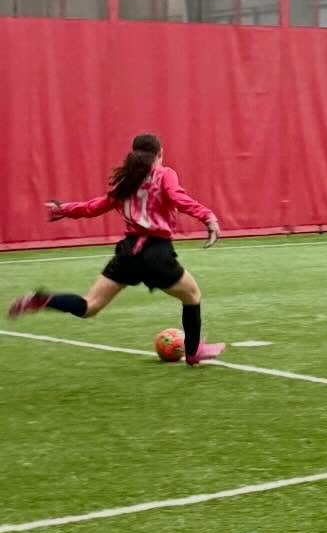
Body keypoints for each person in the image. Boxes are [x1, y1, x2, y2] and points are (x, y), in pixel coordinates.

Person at [6, 132, 224, 365]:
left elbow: (95, 206)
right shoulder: (165, 174)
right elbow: (177, 197)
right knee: (192, 295)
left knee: (90, 305)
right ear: (160, 154)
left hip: (128, 253)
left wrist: (63, 209)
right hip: (156, 252)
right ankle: (192, 353)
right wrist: (208, 217)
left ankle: (43, 299)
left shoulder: (126, 181)